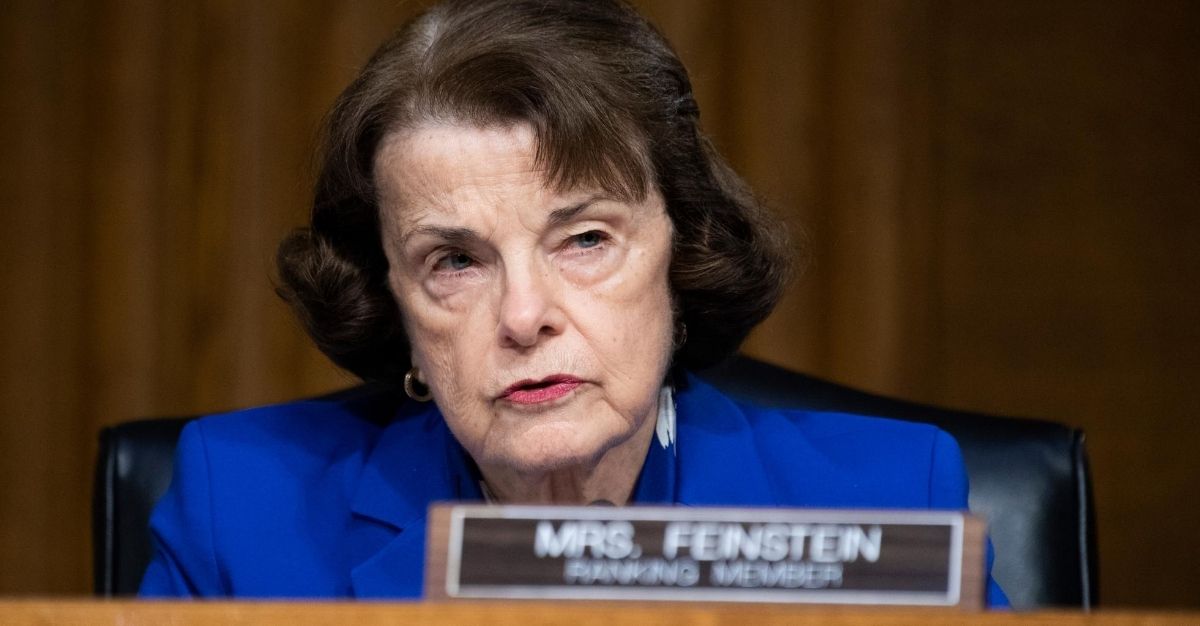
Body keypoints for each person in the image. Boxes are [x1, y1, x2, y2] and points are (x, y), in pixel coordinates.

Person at [140, 0, 1008, 606]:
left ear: (684, 249)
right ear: (392, 300)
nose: (524, 316)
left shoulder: (889, 495)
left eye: (584, 240)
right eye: (454, 261)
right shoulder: (242, 513)